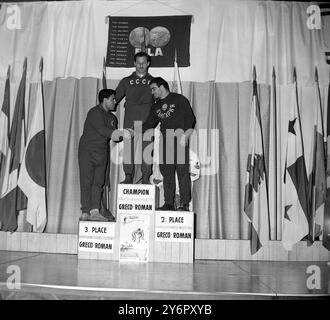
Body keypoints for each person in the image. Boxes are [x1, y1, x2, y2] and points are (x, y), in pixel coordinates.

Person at [142, 77, 196, 211]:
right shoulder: (156, 106)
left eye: (153, 89)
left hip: (179, 137)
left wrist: (186, 135)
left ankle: (184, 203)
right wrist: (133, 130)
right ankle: (169, 203)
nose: (152, 92)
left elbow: (190, 118)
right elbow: (149, 124)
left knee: (182, 172)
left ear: (161, 87)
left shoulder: (179, 99)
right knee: (167, 172)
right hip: (166, 139)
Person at [78, 89, 122, 221]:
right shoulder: (94, 112)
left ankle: (95, 211)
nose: (115, 102)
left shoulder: (113, 118)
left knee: (99, 182)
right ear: (104, 100)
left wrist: (125, 133)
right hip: (87, 151)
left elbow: (114, 137)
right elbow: (103, 130)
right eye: (112, 99)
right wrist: (121, 133)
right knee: (86, 181)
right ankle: (85, 211)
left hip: (102, 152)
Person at [115, 52, 154, 184]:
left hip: (148, 121)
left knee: (147, 150)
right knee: (128, 150)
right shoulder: (126, 81)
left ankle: (146, 177)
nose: (141, 65)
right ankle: (128, 176)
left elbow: (160, 99)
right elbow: (114, 99)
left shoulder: (153, 81)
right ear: (134, 63)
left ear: (148, 63)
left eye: (144, 62)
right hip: (130, 120)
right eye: (138, 63)